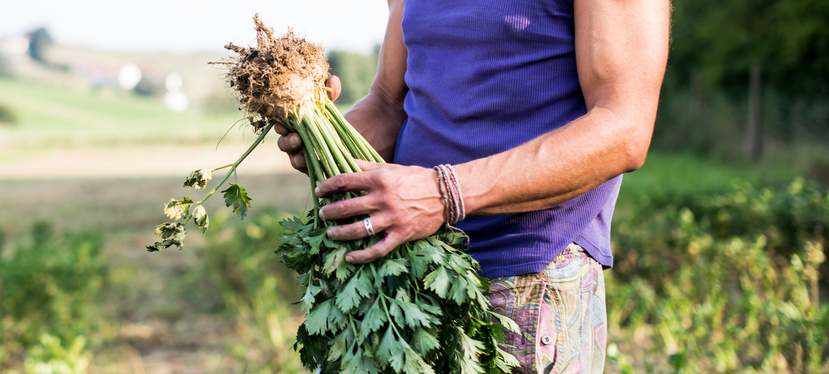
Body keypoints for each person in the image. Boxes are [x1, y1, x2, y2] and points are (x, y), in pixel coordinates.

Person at [273, 0, 670, 372]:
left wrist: (443, 193)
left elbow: (623, 127)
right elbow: (389, 102)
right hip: (405, 270)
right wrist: (323, 136)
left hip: (527, 279)